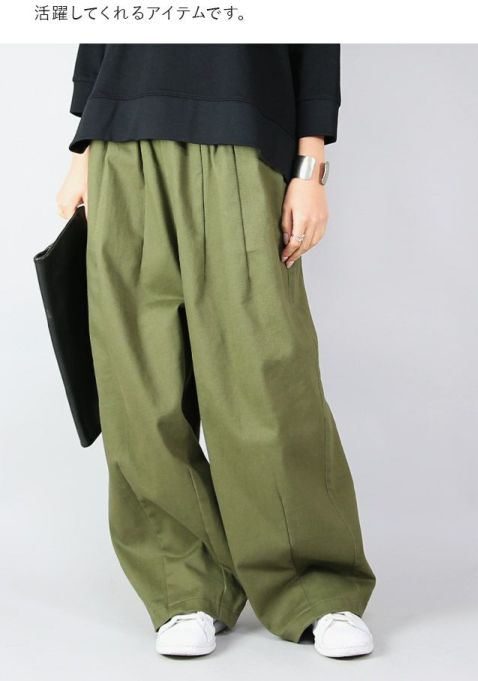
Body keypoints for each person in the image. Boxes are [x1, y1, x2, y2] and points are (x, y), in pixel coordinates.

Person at [56, 44, 376, 659]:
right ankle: (185, 590)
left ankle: (315, 587)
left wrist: (310, 168)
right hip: (122, 140)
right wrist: (83, 150)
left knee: (265, 378)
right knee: (137, 385)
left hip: (245, 134)